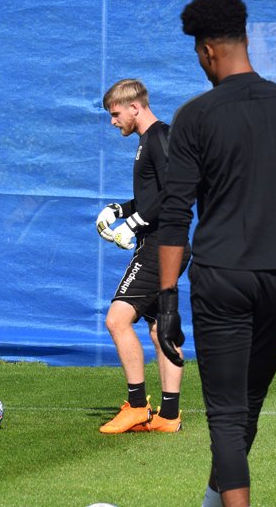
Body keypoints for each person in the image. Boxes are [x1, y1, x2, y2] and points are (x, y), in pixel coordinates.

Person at [155, 0, 276, 507]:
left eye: (197, 53)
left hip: (222, 278)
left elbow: (175, 216)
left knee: (227, 416)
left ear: (208, 50)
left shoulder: (195, 115)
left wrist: (167, 300)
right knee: (248, 403)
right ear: (245, 39)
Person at [95, 79, 191, 434]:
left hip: (161, 246)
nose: (113, 122)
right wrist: (119, 209)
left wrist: (132, 225)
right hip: (166, 244)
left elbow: (175, 192)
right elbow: (153, 196)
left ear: (135, 107)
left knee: (117, 321)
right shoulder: (148, 141)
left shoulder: (160, 138)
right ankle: (168, 417)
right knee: (158, 329)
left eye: (115, 114)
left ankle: (137, 406)